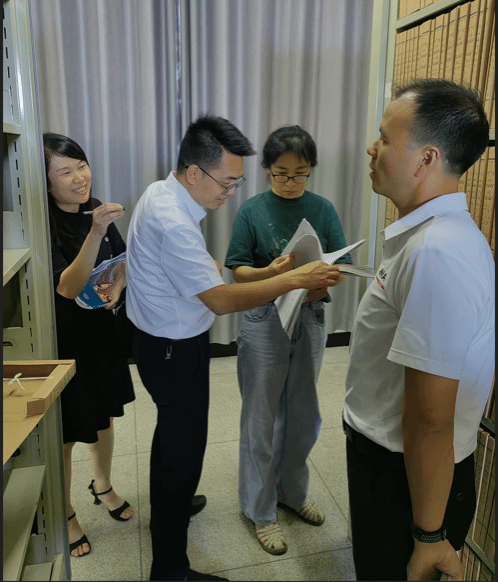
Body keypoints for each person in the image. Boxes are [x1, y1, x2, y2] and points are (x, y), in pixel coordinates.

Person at [126, 115, 342, 582]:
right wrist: (294, 278)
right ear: (194, 172)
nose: (231, 192)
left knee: (174, 442)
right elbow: (222, 299)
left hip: (163, 342)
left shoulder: (161, 193)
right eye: (227, 182)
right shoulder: (174, 220)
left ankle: (174, 504)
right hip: (172, 349)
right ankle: (171, 571)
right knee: (184, 454)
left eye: (237, 182)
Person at [342, 79, 494, 581]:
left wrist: (428, 535)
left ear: (427, 158)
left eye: (385, 139)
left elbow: (431, 418)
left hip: (405, 482)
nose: (373, 148)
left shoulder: (437, 252)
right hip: (395, 467)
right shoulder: (427, 239)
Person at [224, 125, 351, 555]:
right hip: (264, 319)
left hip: (310, 318)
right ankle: (260, 511)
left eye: (300, 174)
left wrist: (324, 280)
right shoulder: (252, 210)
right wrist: (272, 274)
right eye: (281, 174)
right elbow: (238, 270)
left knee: (303, 415)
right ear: (267, 169)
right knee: (260, 417)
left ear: (311, 169)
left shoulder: (323, 208)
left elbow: (341, 265)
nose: (291, 182)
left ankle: (292, 493)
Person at [44, 133, 135, 558]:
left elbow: (120, 260)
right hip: (65, 343)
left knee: (103, 418)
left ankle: (102, 485)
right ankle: (64, 512)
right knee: (66, 434)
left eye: (81, 165)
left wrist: (117, 284)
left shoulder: (95, 208)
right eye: (65, 171)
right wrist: (96, 230)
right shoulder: (44, 223)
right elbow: (67, 286)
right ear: (46, 183)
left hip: (101, 335)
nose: (80, 177)